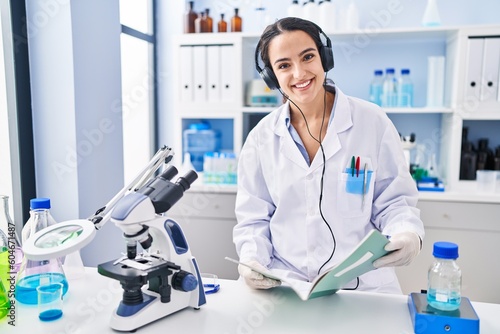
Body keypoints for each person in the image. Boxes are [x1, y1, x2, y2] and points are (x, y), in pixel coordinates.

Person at [233, 17, 424, 294]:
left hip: (362, 287)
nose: (299, 74)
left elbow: (394, 202)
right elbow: (254, 219)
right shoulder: (260, 138)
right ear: (271, 76)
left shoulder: (372, 122)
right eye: (284, 65)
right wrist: (252, 259)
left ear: (324, 58)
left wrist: (407, 233)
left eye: (307, 57)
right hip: (287, 284)